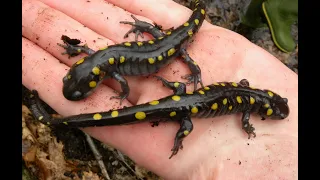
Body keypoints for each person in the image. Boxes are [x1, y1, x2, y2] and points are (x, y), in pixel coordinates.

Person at [22, 0, 298, 179]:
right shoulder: (246, 106)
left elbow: (243, 89)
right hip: (181, 92)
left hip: (181, 92)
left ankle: (53, 119)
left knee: (172, 105)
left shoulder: (247, 96)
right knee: (171, 107)